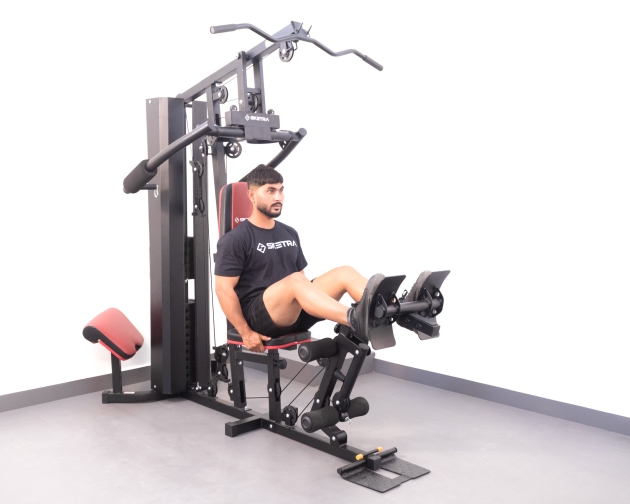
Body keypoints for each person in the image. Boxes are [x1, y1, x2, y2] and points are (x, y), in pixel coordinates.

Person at [214, 164, 382, 352]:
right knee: (295, 280)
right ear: (252, 196)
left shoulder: (289, 233)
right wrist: (245, 332)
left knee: (344, 272)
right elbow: (223, 290)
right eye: (270, 191)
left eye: (280, 190)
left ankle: (388, 309)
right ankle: (355, 318)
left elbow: (302, 280)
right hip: (260, 319)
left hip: (293, 313)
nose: (278, 197)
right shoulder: (235, 239)